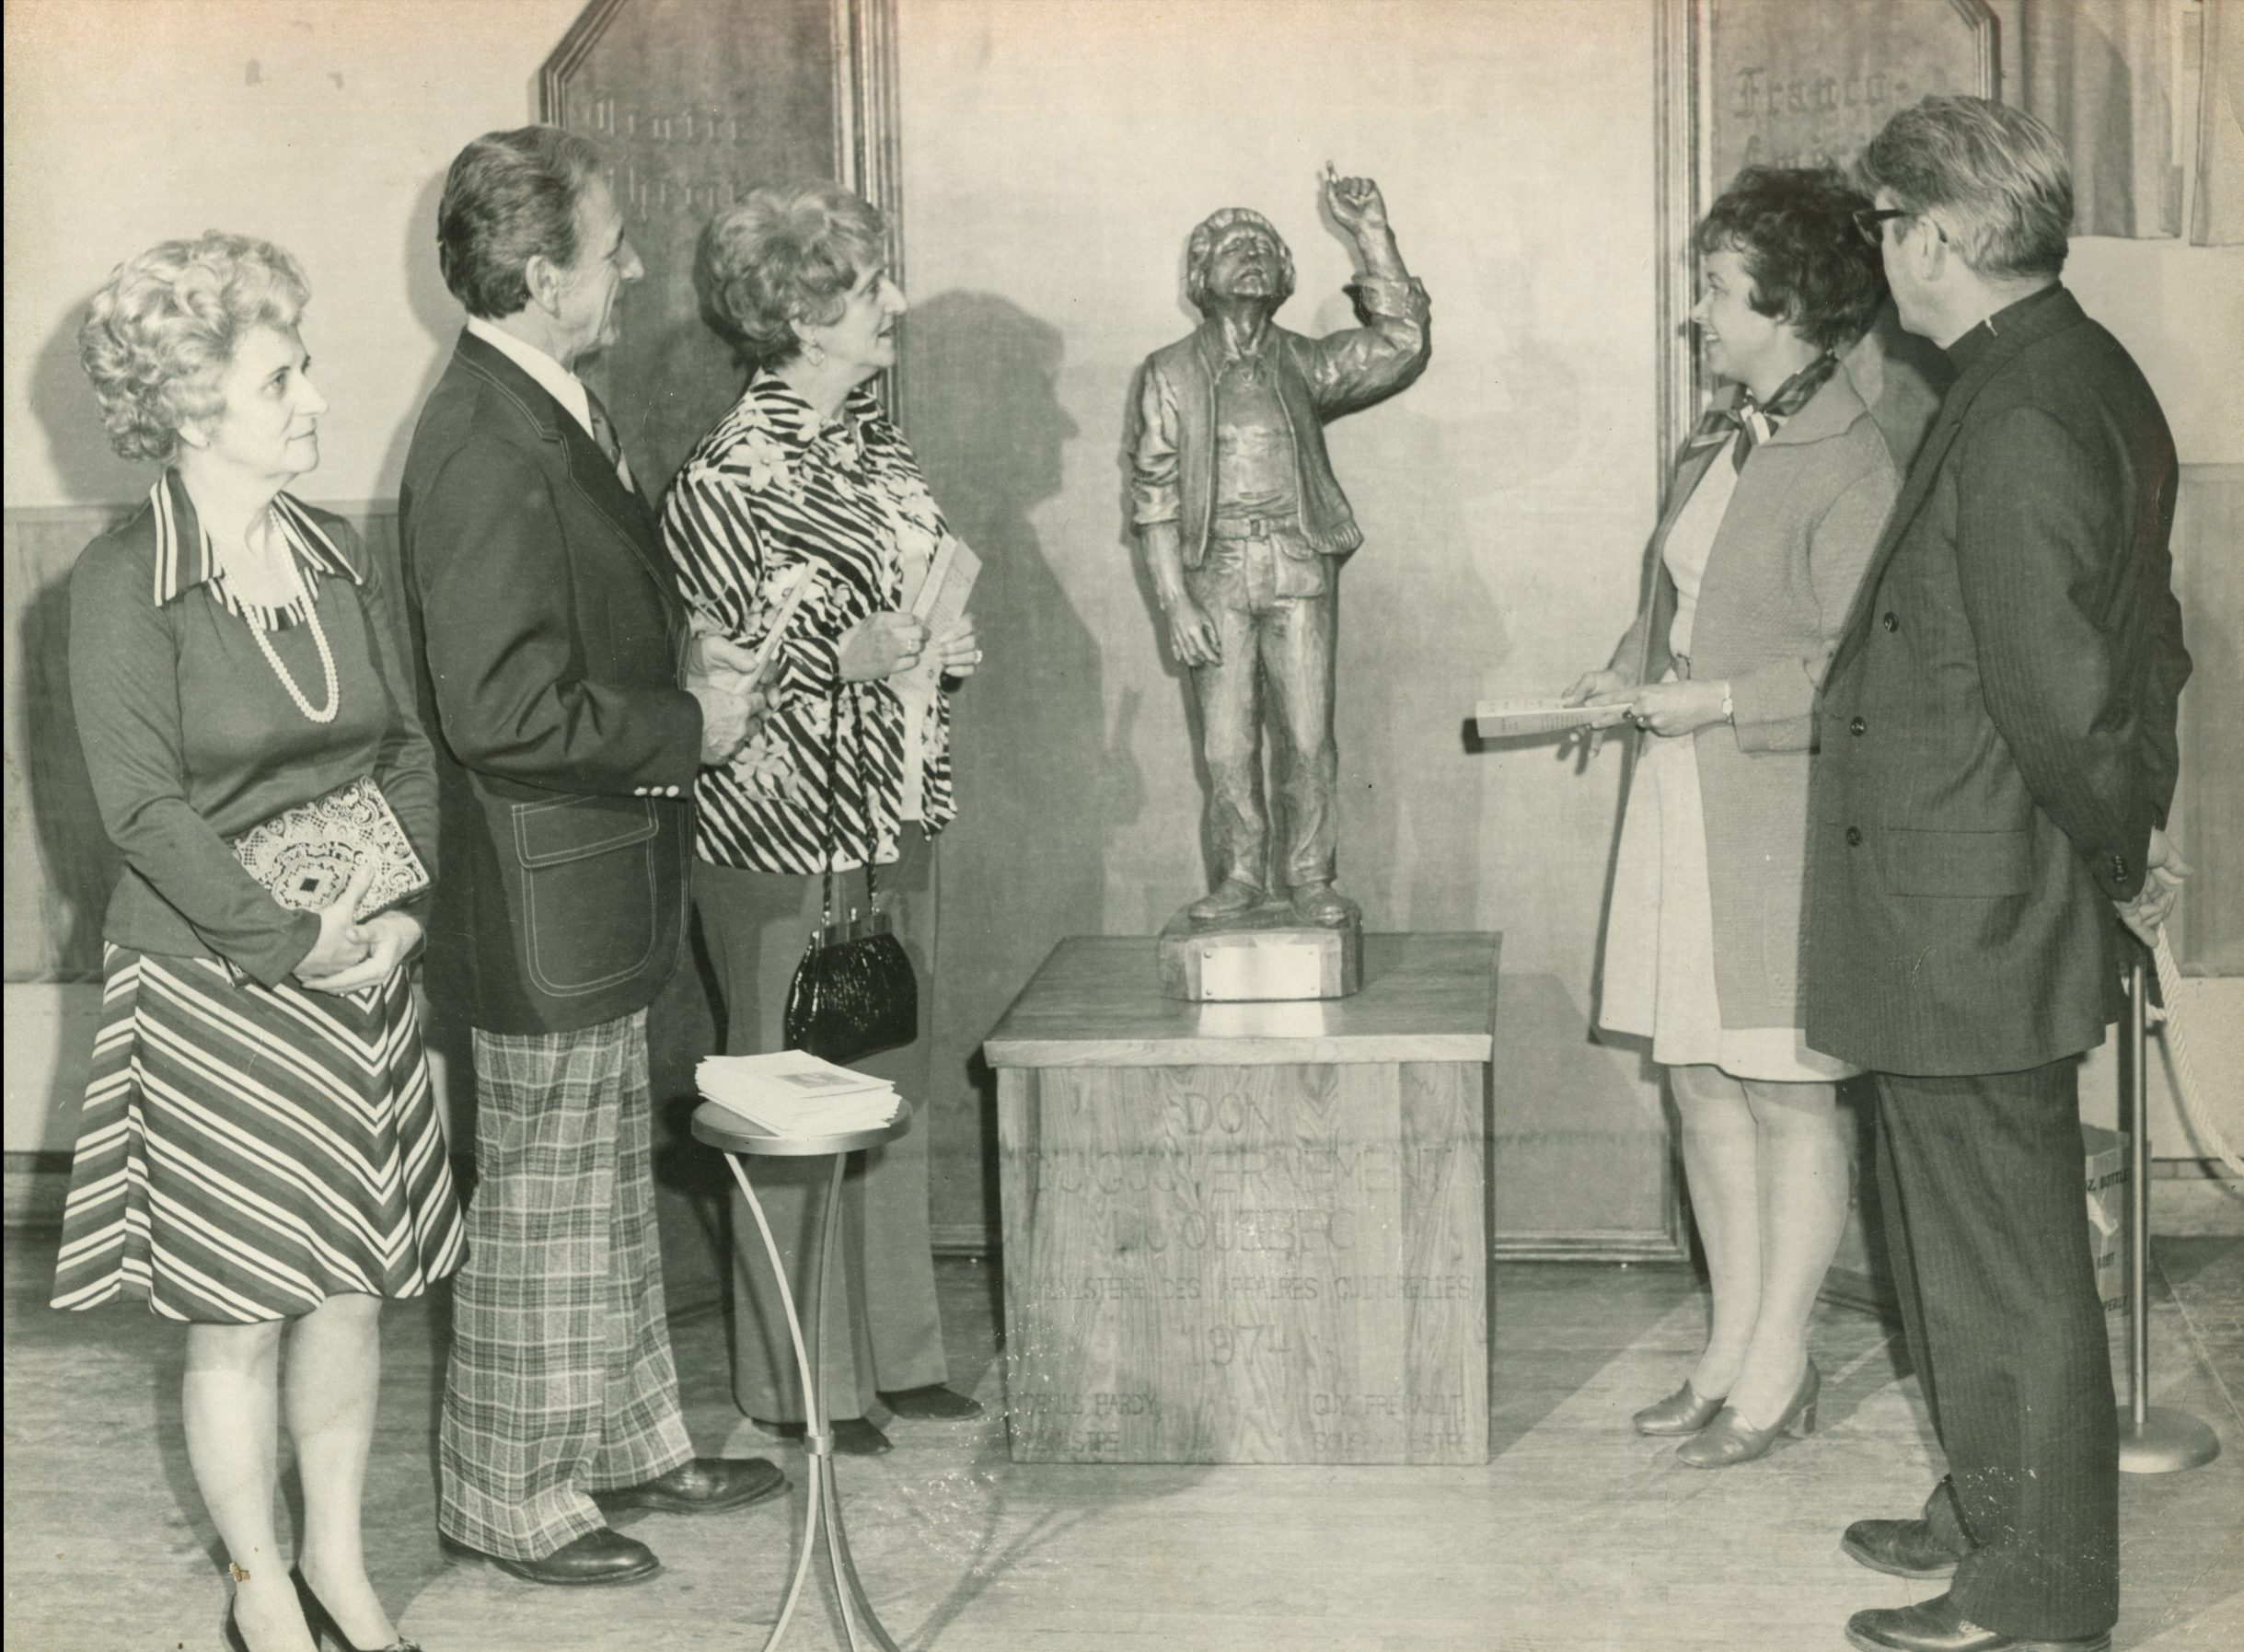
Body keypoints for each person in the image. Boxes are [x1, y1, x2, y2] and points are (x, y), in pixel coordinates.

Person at [1808, 97, 2190, 1652]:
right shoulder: (2050, 371)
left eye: (1890, 226)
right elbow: (2130, 646)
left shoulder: (2025, 408)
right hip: (1962, 896)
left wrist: (2117, 862)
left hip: (1973, 902)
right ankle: (1989, 1504)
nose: (1882, 254)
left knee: (2002, 1262)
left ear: (1948, 236)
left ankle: (2034, 1597)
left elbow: (2064, 692)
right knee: (1964, 1243)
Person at [51, 232, 462, 1652]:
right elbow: (142, 814)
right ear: (189, 403)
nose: (315, 399)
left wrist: (397, 908)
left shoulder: (330, 549)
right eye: (281, 376)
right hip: (219, 982)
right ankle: (260, 1591)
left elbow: (405, 748)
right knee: (241, 1308)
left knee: (349, 1288)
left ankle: (340, 1567)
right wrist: (292, 940)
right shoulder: (117, 587)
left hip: (363, 972)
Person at [399, 126, 784, 1588]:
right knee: (547, 1200)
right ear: (542, 272)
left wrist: (684, 659)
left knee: (604, 1185)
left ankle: (628, 1438)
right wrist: (689, 716)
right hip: (542, 886)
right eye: (611, 244)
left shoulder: (542, 402)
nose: (631, 265)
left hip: (600, 874)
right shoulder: (481, 438)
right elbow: (496, 710)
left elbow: (570, 641)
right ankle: (505, 1490)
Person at [1563, 168, 1922, 1469]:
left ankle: (1780, 1365)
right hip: (1681, 805)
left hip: (1777, 815)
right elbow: (1679, 597)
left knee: (1785, 1095)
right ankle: (1724, 1347)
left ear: (1793, 307)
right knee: (1702, 1082)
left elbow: (1856, 673)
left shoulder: (1855, 458)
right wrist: (1627, 669)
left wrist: (1706, 699)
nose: (1698, 315)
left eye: (1717, 292)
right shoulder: (1715, 435)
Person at [664, 181, 984, 1457]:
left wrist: (938, 647)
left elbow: (909, 596)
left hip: (893, 804)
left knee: (886, 1077)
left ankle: (897, 1357)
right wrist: (833, 656)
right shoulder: (722, 475)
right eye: (868, 290)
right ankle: (801, 1378)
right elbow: (711, 680)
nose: (894, 304)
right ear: (797, 313)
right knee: (793, 1096)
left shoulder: (875, 444)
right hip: (778, 836)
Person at [1130, 172, 1430, 929]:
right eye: (1233, 248)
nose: (1253, 256)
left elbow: (1402, 342)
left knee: (1307, 737)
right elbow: (1154, 497)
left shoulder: (1306, 362)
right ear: (1201, 277)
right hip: (1217, 573)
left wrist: (1371, 235)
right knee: (1228, 746)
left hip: (1298, 565)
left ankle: (1310, 876)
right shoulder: (1168, 372)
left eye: (1265, 247)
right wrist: (1175, 600)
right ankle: (1238, 875)